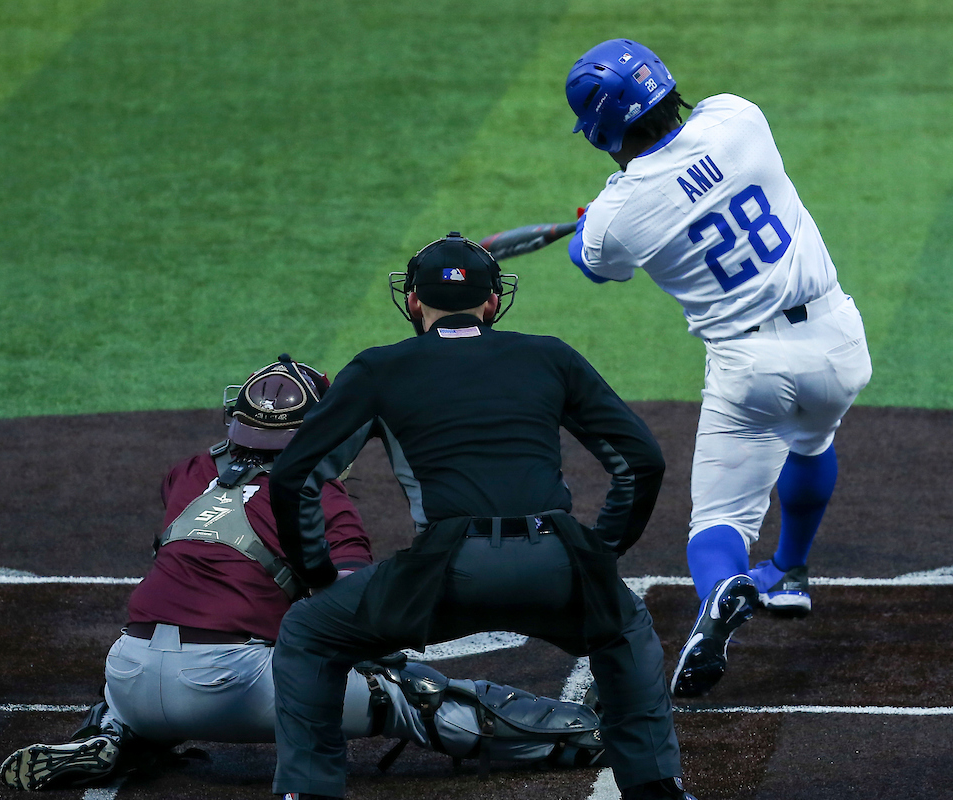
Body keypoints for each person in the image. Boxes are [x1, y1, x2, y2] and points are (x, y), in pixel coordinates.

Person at [0, 356, 605, 791]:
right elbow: (355, 607)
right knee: (400, 688)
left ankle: (112, 737)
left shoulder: (185, 474)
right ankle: (575, 732)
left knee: (158, 652)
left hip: (128, 677)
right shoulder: (324, 502)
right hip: (230, 687)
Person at [268, 232, 698, 800]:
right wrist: (599, 552)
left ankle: (311, 792)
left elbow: (294, 477)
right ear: (493, 302)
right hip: (556, 559)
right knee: (626, 631)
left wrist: (317, 575)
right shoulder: (551, 355)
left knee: (307, 632)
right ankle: (656, 789)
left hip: (444, 575)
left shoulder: (379, 369)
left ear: (414, 302)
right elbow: (641, 462)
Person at [563, 39, 874, 699]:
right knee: (812, 439)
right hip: (838, 342)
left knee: (720, 523)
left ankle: (722, 590)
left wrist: (594, 219)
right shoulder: (738, 117)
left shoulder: (616, 216)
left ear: (601, 132)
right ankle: (789, 571)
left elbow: (592, 263)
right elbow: (693, 162)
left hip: (750, 368)